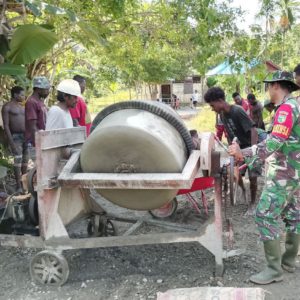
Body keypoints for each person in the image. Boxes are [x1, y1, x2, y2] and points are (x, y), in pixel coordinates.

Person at [228, 71, 300, 285]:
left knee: (264, 215)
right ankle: (288, 261)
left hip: (284, 174)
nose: (267, 90)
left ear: (276, 85)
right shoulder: (295, 105)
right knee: (293, 216)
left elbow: (274, 142)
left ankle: (273, 269)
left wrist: (244, 153)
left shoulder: (286, 109)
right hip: (295, 172)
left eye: (269, 86)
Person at [204, 87, 258, 214]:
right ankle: (242, 190)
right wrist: (231, 148)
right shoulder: (222, 115)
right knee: (234, 172)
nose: (212, 109)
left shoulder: (237, 111)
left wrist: (254, 150)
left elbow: (253, 130)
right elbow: (229, 133)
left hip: (250, 145)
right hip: (237, 147)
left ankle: (252, 204)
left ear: (220, 100)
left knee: (253, 176)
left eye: (212, 105)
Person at [1, 86, 28, 193]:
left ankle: (24, 183)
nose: (23, 96)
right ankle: (18, 185)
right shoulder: (7, 107)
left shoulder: (22, 107)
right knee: (18, 160)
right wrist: (11, 142)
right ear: (15, 95)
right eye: (21, 94)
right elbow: (6, 126)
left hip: (25, 136)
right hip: (15, 137)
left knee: (25, 160)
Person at [25, 76, 50, 156]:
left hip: (42, 139)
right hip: (35, 142)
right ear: (38, 89)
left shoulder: (40, 101)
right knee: (38, 166)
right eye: (46, 89)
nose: (48, 92)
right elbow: (32, 126)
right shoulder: (31, 102)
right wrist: (39, 142)